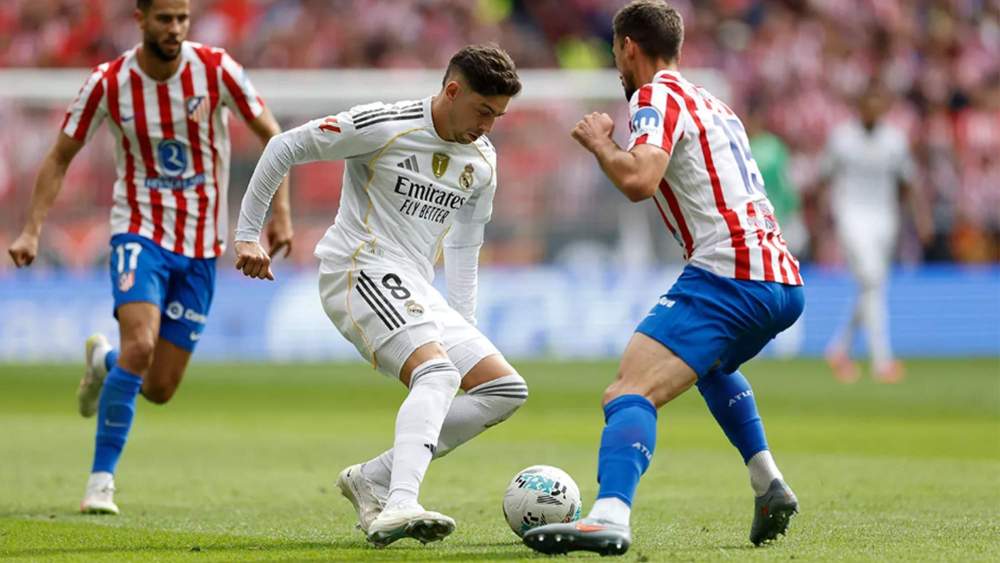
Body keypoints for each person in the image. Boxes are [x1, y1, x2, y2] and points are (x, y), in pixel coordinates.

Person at [522, 0, 804, 555]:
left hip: (730, 273)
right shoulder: (717, 105)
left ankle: (610, 515)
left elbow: (641, 179)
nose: (616, 67)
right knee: (712, 365)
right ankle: (767, 481)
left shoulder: (655, 97)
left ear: (629, 46)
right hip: (780, 276)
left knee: (628, 391)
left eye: (614, 54)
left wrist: (601, 141)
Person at [232, 44, 527, 548]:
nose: (488, 126)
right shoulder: (384, 125)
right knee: (438, 374)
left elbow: (464, 242)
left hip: (416, 284)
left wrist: (465, 320)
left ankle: (373, 477)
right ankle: (401, 501)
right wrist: (246, 235)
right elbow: (284, 146)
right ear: (452, 91)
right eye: (483, 111)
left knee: (504, 391)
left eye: (497, 116)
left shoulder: (482, 160)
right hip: (358, 267)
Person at [6, 0, 294, 515]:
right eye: (165, 18)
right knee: (139, 347)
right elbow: (59, 156)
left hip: (202, 246)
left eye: (182, 18)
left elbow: (275, 138)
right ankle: (100, 481)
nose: (176, 29)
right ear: (140, 20)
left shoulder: (216, 69)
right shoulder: (108, 82)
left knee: (159, 387)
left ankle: (104, 365)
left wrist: (281, 215)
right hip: (139, 231)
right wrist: (30, 230)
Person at [820, 84, 933, 384]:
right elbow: (824, 178)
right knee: (871, 279)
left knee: (871, 285)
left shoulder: (894, 140)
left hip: (885, 217)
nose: (871, 111)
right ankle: (882, 360)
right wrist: (822, 222)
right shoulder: (841, 138)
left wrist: (921, 219)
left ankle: (839, 348)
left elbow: (907, 182)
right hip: (851, 215)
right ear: (859, 108)